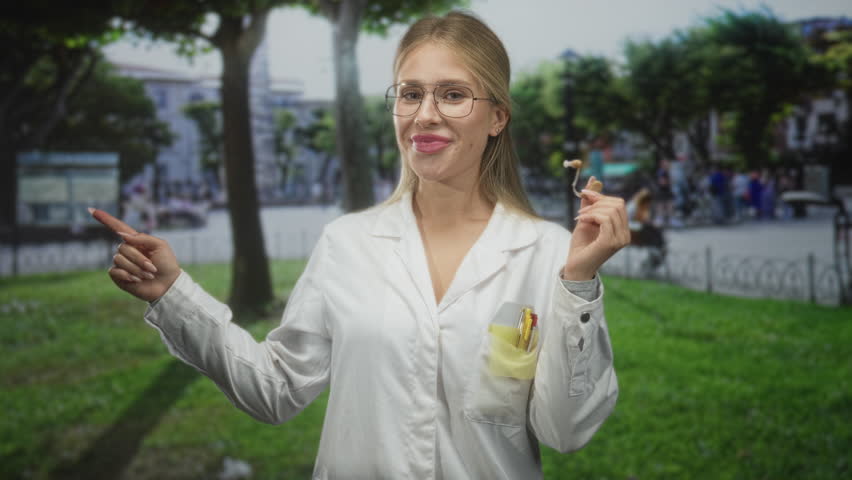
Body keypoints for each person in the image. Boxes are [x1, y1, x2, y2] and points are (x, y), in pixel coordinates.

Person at [91, 11, 628, 479]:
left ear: (497, 117)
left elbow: (565, 430)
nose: (425, 115)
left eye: (453, 94)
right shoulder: (346, 244)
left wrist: (578, 286)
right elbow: (276, 388)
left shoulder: (548, 254)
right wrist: (174, 294)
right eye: (410, 93)